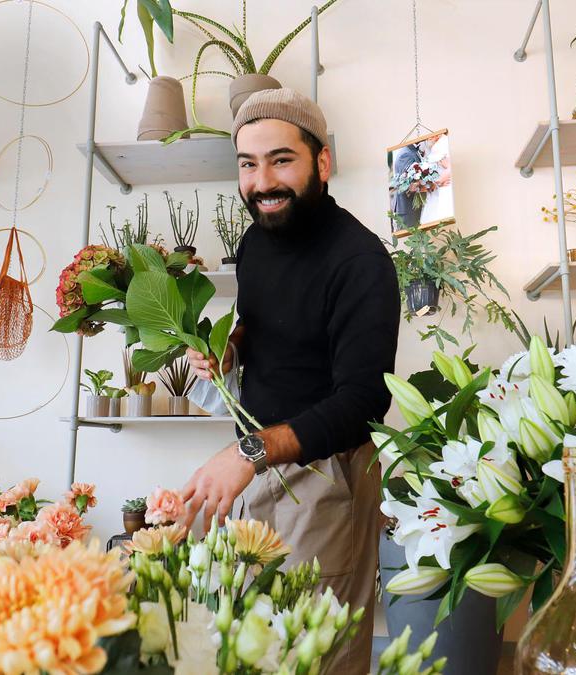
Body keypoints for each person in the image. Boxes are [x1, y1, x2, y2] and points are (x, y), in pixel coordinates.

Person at [182, 88, 400, 673]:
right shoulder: (257, 239)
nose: (262, 183)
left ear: (321, 163)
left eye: (281, 160)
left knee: (313, 657)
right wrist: (225, 348)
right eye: (248, 165)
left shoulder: (360, 261)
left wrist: (248, 452)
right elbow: (264, 328)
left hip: (323, 481)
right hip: (255, 466)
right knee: (251, 650)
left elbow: (362, 402)